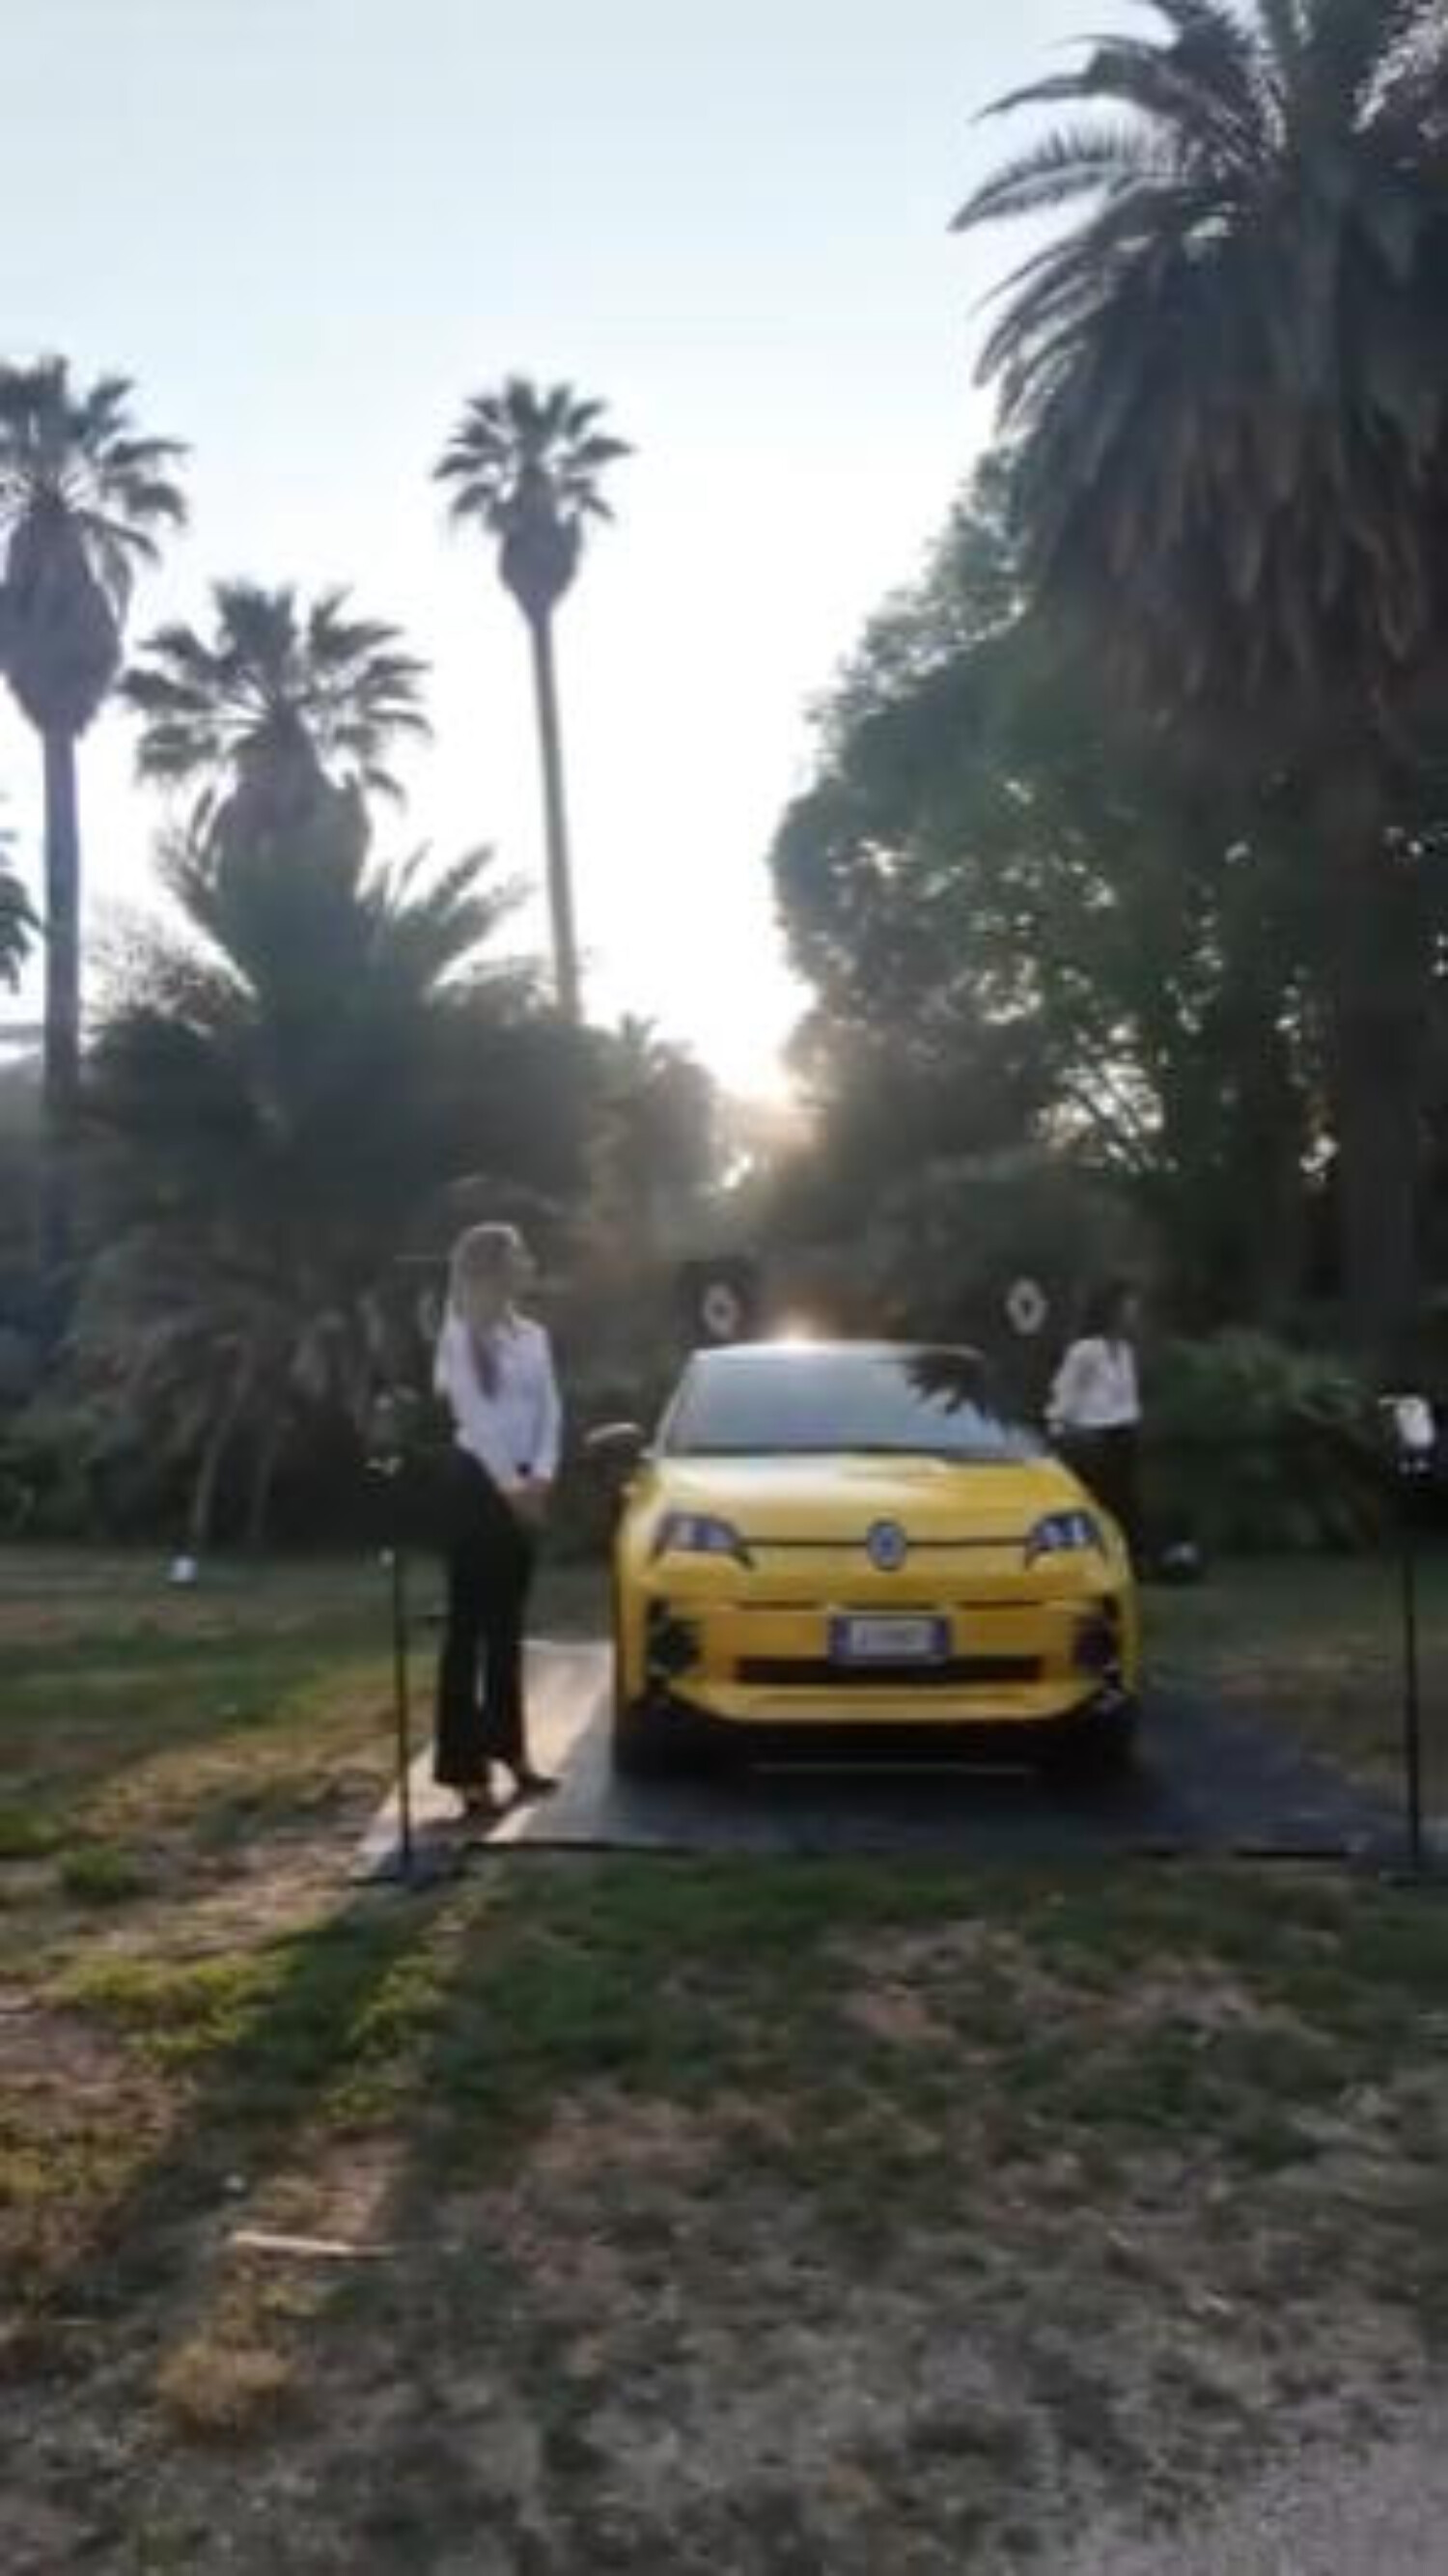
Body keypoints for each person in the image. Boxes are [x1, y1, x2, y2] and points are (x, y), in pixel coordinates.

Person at [432, 1222, 562, 1823]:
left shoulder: (534, 1336)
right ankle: (465, 1770)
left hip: (526, 1485)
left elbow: (551, 1408)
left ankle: (512, 1751)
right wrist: (512, 1490)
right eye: (519, 1255)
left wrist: (542, 1475)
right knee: (469, 1631)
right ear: (492, 1269)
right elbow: (477, 1420)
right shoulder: (460, 1336)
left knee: (508, 1631)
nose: (529, 1263)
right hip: (477, 1490)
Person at [1046, 1280, 1143, 1557]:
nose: (1133, 1314)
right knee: (1098, 1497)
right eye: (1128, 1307)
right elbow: (1065, 1390)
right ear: (1112, 1310)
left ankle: (1127, 1554)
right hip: (1092, 1435)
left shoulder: (1125, 1351)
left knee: (1125, 1498)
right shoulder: (1086, 1351)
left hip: (1123, 1432)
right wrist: (1058, 1426)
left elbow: (1128, 1395)